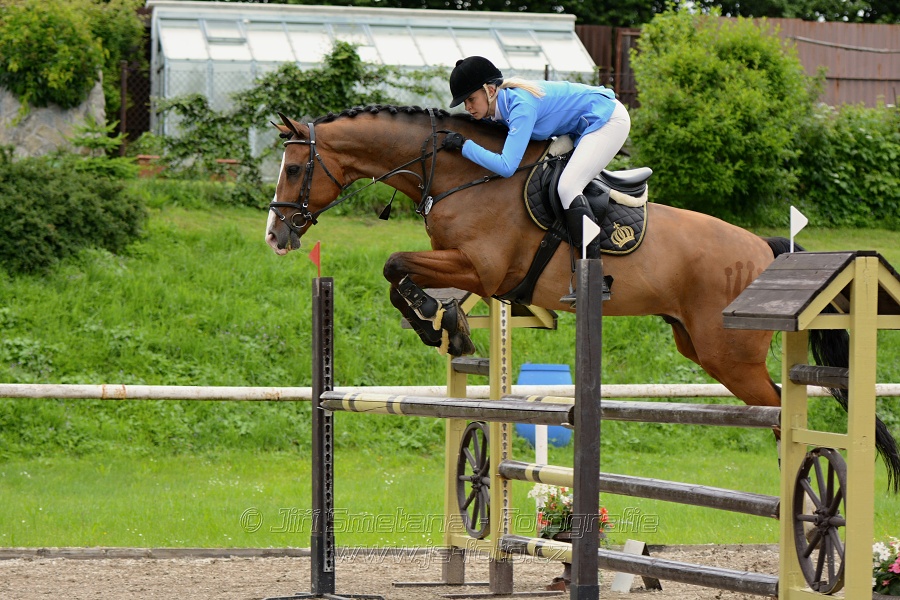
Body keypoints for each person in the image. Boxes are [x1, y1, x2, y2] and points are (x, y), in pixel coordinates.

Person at [442, 56, 631, 258]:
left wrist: (465, 146)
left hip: (608, 119)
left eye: (471, 99)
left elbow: (507, 166)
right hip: (582, 126)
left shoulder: (521, 107)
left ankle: (593, 269)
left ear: (490, 91)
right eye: (465, 102)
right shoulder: (505, 105)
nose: (468, 107)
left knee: (567, 187)